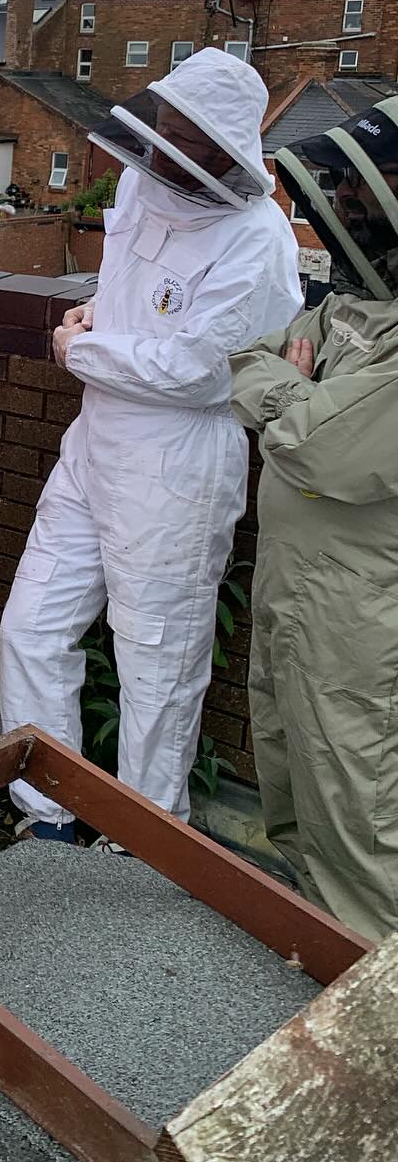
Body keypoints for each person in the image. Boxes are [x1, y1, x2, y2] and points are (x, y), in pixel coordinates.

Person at [0, 48, 302, 842]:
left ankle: (146, 846)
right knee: (30, 627)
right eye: (161, 129)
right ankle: (48, 814)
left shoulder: (260, 239)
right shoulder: (139, 182)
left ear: (224, 144)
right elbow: (133, 292)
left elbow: (207, 370)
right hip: (96, 441)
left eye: (184, 138)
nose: (164, 151)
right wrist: (91, 314)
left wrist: (79, 351)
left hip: (179, 467)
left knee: (156, 669)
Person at [228, 95, 398, 939]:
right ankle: (317, 953)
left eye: (379, 182)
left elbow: (321, 450)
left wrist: (292, 400)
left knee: (360, 815)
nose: (356, 201)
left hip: (366, 619)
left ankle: (367, 1029)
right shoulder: (347, 304)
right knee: (292, 778)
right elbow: (253, 363)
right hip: (296, 592)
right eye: (351, 184)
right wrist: (300, 399)